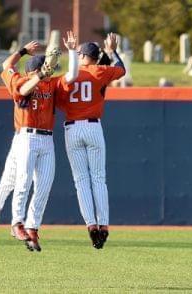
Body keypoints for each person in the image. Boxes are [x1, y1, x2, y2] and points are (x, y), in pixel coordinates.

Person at [0, 31, 79, 251]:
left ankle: (31, 227)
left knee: (42, 185)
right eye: (43, 68)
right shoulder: (22, 80)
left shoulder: (51, 84)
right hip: (25, 137)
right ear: (32, 71)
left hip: (46, 140)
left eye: (48, 68)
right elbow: (22, 87)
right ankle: (16, 222)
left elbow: (72, 75)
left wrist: (72, 51)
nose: (48, 70)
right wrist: (31, 63)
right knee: (21, 181)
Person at [56, 33, 125, 249]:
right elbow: (122, 69)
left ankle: (91, 226)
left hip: (72, 129)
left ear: (83, 56)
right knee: (98, 178)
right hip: (94, 127)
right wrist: (112, 50)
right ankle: (103, 225)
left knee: (81, 181)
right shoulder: (100, 71)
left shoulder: (68, 76)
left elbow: (58, 100)